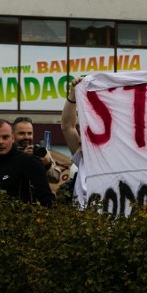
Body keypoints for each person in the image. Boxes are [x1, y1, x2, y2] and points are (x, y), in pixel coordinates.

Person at [0, 119, 54, 206]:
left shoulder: (30, 162)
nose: (0, 142)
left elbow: (47, 200)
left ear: (13, 138)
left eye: (5, 137)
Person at [12, 116, 63, 187]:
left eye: (29, 133)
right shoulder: (8, 152)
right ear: (13, 136)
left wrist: (47, 165)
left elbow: (56, 179)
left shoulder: (40, 152)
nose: (26, 137)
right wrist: (23, 158)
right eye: (22, 133)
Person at [61, 77, 88, 206]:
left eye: (86, 139)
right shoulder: (82, 160)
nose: (80, 142)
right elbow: (67, 126)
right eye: (80, 138)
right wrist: (73, 94)